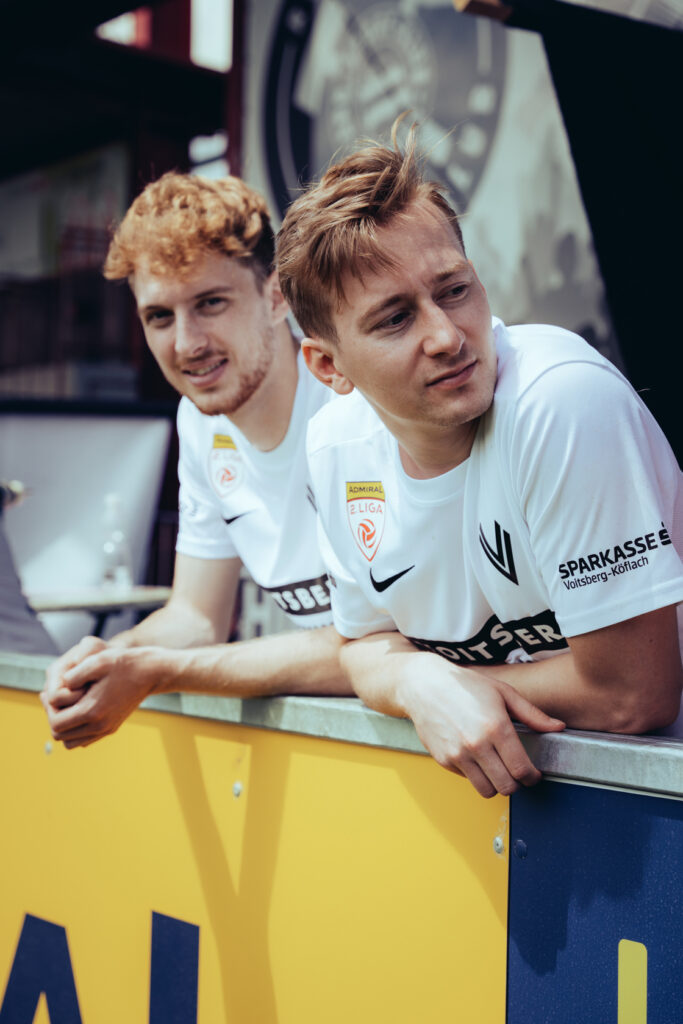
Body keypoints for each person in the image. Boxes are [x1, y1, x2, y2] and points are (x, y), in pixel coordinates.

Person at [276, 125, 683, 798]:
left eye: (454, 290)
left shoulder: (558, 399)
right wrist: (414, 680)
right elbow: (364, 646)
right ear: (327, 366)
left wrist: (446, 683)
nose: (445, 336)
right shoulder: (334, 448)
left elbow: (633, 695)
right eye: (395, 319)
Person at [42, 172, 351, 749]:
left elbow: (376, 646)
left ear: (276, 296)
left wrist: (158, 671)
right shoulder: (200, 421)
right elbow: (197, 616)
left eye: (210, 303)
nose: (187, 344)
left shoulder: (350, 400)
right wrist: (107, 658)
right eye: (160, 316)